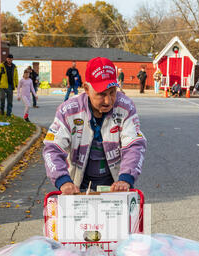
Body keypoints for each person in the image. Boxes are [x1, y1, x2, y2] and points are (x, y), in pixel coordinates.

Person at [43, 56, 147, 195]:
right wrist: (63, 180)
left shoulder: (126, 107)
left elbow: (134, 145)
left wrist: (126, 178)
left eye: (112, 92)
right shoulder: (68, 110)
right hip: (77, 188)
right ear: (86, 88)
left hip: (115, 186)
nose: (108, 100)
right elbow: (52, 148)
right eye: (101, 94)